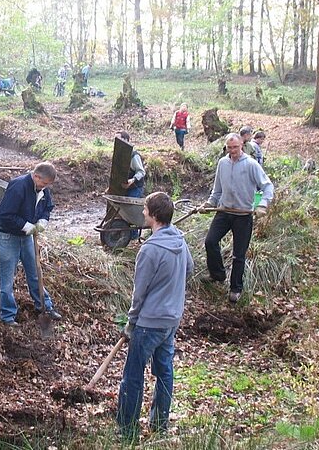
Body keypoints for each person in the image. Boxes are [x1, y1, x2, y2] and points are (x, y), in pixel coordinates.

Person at [116, 192, 194, 442]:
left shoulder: (150, 250)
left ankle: (127, 431)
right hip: (171, 320)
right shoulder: (180, 241)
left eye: (145, 209)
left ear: (154, 215)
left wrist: (131, 322)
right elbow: (189, 269)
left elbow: (139, 292)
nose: (142, 212)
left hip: (149, 323)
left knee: (133, 376)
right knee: (164, 372)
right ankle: (160, 425)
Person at [202, 133, 274, 303]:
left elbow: (267, 186)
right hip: (224, 211)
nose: (232, 150)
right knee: (210, 242)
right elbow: (217, 190)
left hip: (243, 215)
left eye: (235, 147)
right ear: (226, 147)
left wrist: (262, 204)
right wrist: (210, 203)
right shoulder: (223, 163)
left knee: (238, 255)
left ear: (241, 145)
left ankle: (235, 288)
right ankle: (218, 275)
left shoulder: (251, 164)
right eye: (229, 147)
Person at [0, 162, 63, 326]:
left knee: (35, 273)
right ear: (36, 176)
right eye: (44, 183)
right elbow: (3, 216)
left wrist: (43, 221)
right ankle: (8, 316)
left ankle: (44, 307)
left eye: (48, 185)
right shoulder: (18, 187)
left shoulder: (43, 190)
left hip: (27, 238)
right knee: (7, 278)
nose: (45, 187)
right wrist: (26, 226)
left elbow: (47, 207)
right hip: (8, 236)